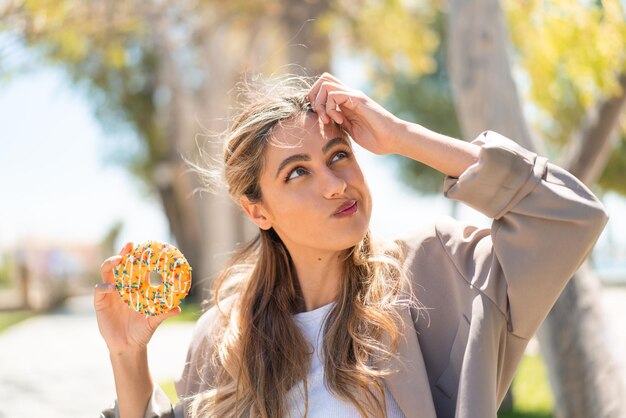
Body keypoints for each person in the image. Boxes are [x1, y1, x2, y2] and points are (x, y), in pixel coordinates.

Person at [97, 72, 608, 418]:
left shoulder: (437, 271)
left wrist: (403, 136)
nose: (335, 183)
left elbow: (567, 217)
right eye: (298, 172)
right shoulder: (222, 339)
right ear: (258, 211)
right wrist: (127, 354)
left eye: (338, 155)